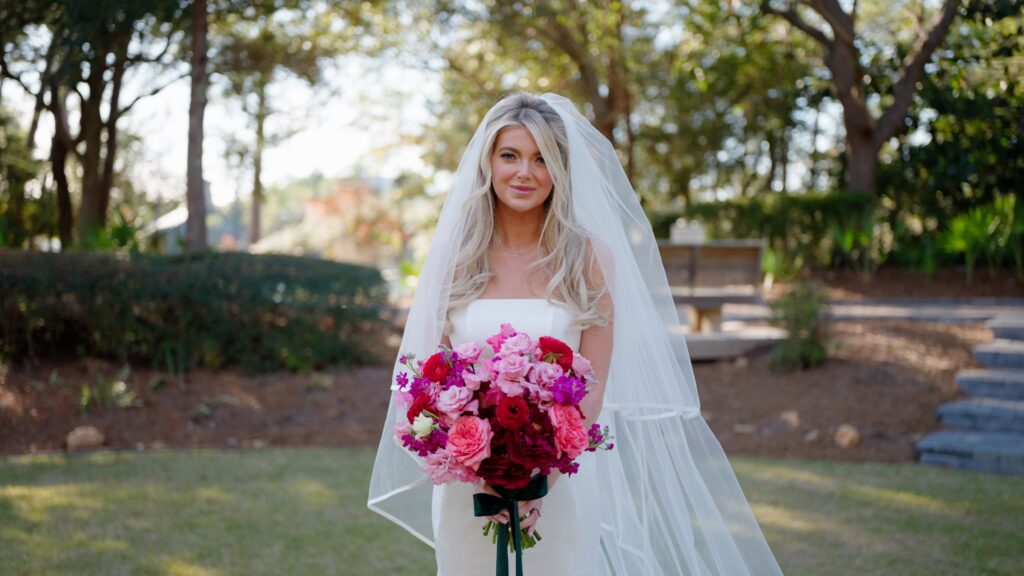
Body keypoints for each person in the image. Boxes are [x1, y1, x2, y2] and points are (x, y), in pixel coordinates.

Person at [369, 93, 784, 575]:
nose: (525, 172)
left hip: (558, 484)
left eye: (543, 158)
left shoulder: (589, 258)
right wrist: (483, 471)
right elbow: (427, 381)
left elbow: (594, 388)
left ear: (561, 170)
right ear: (488, 163)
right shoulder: (454, 258)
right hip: (468, 488)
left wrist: (531, 474)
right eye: (511, 155)